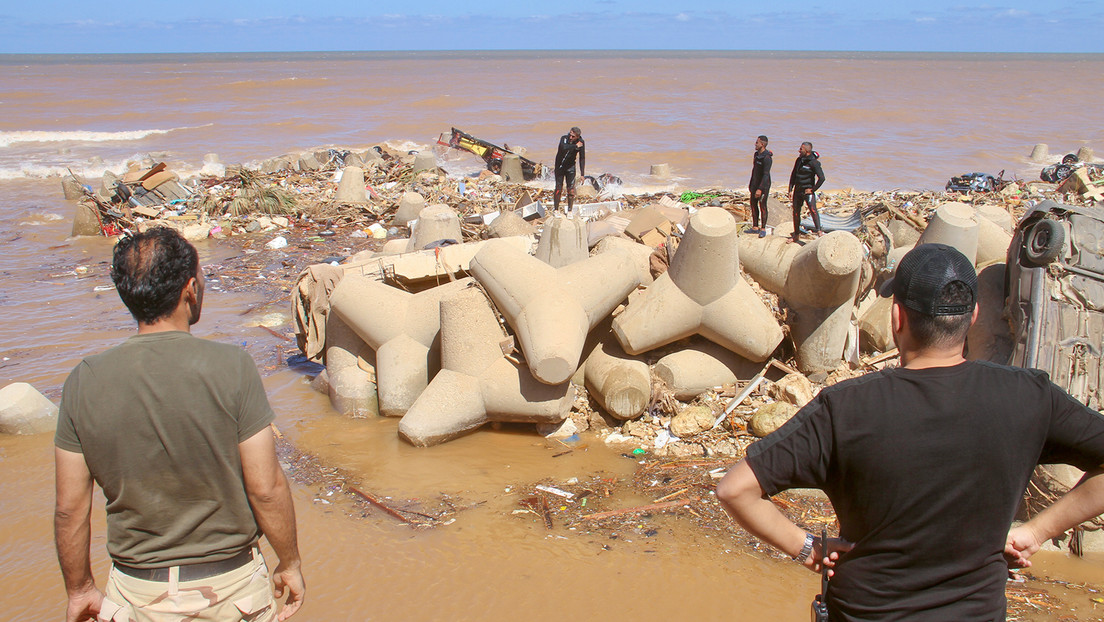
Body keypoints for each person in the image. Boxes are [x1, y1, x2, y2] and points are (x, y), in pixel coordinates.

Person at [716, 243, 1104, 621]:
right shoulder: (1029, 395)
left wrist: (806, 549)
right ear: (971, 318)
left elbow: (735, 489)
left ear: (896, 318)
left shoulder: (845, 408)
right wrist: (1037, 532)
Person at [54, 227, 305, 622]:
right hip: (231, 588)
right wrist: (289, 562)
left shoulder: (83, 380)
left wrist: (80, 588)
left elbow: (70, 509)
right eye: (202, 276)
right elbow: (266, 486)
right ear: (190, 289)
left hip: (136, 592)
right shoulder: (232, 367)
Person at [787, 141, 825, 242]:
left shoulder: (814, 163)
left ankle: (819, 232)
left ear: (807, 151)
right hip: (798, 190)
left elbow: (822, 178)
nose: (799, 150)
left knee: (813, 210)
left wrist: (813, 189)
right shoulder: (799, 160)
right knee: (796, 212)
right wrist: (790, 189)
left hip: (807, 191)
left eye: (801, 149)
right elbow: (793, 174)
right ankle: (796, 235)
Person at [554, 126, 585, 213]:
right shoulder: (564, 138)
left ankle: (570, 210)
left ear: (578, 137)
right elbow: (563, 147)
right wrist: (575, 146)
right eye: (570, 135)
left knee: (571, 190)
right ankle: (556, 209)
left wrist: (582, 174)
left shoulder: (581, 142)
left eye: (573, 136)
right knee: (558, 188)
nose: (570, 137)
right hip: (560, 166)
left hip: (570, 167)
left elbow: (582, 158)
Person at [748, 135, 772, 238]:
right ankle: (755, 227)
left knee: (762, 206)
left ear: (762, 144)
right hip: (755, 183)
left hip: (763, 185)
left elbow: (766, 174)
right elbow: (754, 171)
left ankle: (763, 228)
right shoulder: (756, 154)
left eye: (757, 142)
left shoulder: (767, 158)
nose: (755, 144)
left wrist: (760, 189)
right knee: (753, 204)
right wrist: (751, 184)